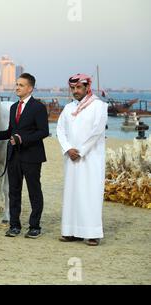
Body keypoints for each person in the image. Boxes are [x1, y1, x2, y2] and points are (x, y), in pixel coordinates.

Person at [0, 73, 48, 238]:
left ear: (30, 88)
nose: (17, 88)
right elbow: (11, 132)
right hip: (14, 155)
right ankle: (14, 225)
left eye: (21, 85)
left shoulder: (38, 107)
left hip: (32, 156)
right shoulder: (14, 107)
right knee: (13, 191)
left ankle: (34, 226)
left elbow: (44, 132)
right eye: (17, 84)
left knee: (34, 191)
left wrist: (22, 139)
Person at [56, 74, 108, 246]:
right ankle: (71, 231)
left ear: (87, 87)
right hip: (71, 158)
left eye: (79, 87)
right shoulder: (68, 108)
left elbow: (97, 131)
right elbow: (60, 130)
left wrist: (81, 151)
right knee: (72, 194)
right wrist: (68, 148)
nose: (76, 91)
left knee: (90, 194)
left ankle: (92, 233)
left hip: (91, 158)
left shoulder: (99, 106)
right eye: (73, 88)